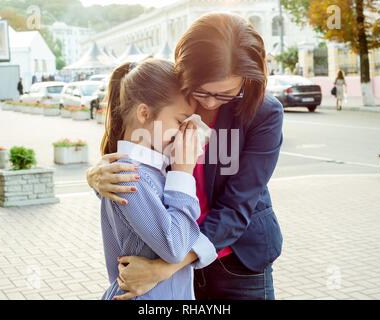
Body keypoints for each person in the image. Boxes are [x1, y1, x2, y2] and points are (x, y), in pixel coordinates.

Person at [87, 12, 284, 300]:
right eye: (202, 91)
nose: (210, 103)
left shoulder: (264, 113)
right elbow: (137, 164)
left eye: (226, 94)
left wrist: (164, 268)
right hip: (168, 252)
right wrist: (95, 175)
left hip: (235, 261)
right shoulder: (170, 97)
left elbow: (236, 207)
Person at [95, 59, 217, 300]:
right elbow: (175, 248)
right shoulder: (130, 177)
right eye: (180, 122)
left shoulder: (149, 172)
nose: (186, 133)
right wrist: (183, 172)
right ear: (144, 113)